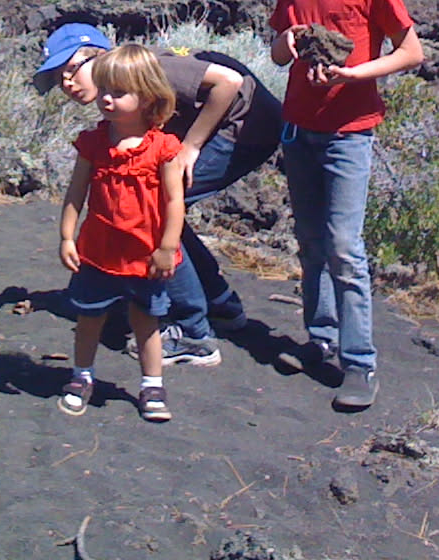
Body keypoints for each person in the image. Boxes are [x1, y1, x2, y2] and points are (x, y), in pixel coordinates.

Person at [35, 21, 284, 366]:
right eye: (58, 78)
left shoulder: (149, 67)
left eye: (71, 69)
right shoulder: (121, 88)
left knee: (156, 213)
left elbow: (229, 81)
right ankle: (220, 303)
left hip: (245, 128)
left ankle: (193, 333)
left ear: (98, 55)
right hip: (246, 126)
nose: (66, 83)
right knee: (164, 214)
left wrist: (191, 146)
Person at [266, 0, 423, 411]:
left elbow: (411, 52)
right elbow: (278, 54)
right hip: (298, 127)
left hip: (348, 133)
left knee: (343, 247)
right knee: (310, 241)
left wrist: (355, 75)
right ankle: (321, 338)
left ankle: (359, 363)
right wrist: (287, 42)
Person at [56, 44, 184, 422]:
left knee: (146, 321)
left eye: (119, 92)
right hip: (98, 251)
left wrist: (167, 246)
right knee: (89, 317)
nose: (107, 99)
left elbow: (175, 201)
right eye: (104, 90)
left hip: (146, 255)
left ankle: (152, 385)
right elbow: (76, 192)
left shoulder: (162, 147)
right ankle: (82, 376)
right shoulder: (94, 143)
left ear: (148, 97)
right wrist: (66, 236)